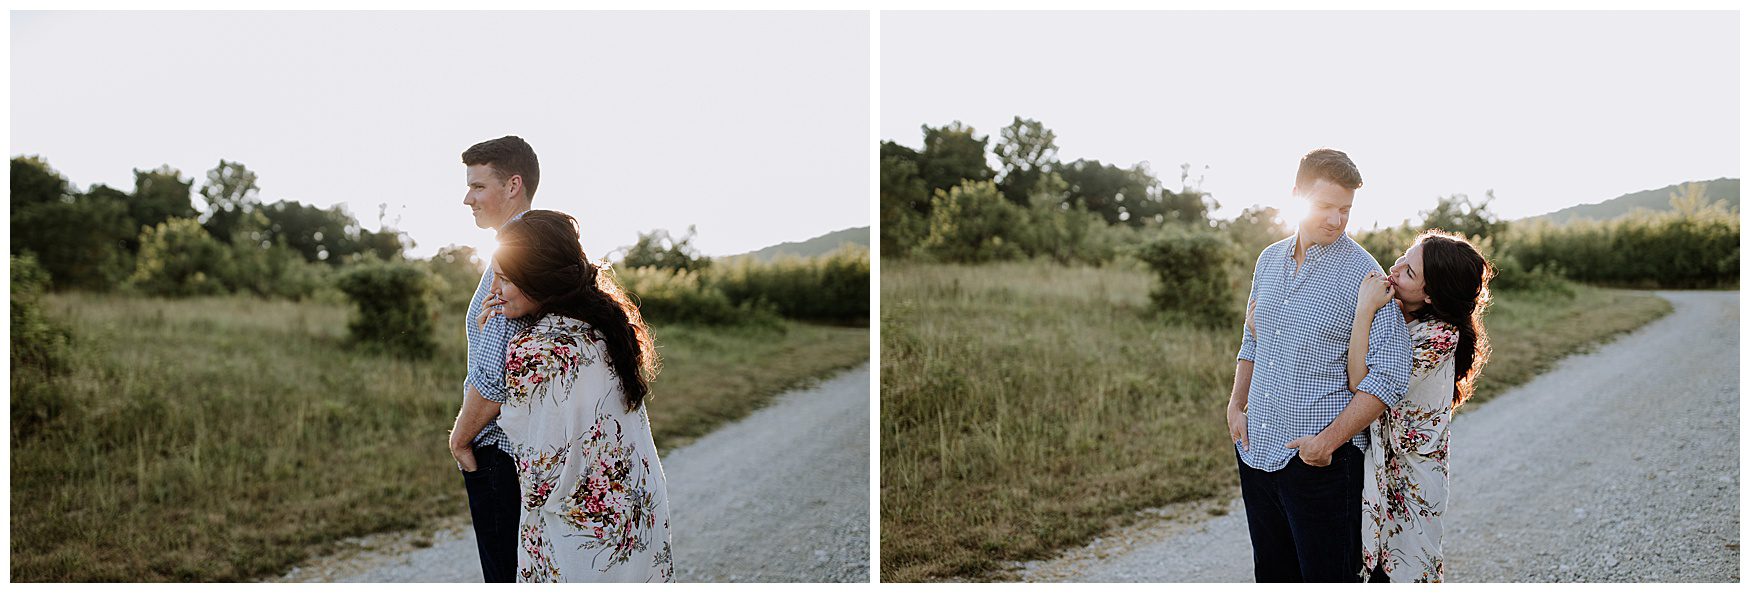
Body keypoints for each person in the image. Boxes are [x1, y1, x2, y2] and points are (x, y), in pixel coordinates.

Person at [1226, 148, 1411, 582]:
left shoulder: (1364, 275)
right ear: (1296, 195)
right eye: (1325, 206)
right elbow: (1253, 337)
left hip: (1320, 465)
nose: (1336, 220)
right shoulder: (1268, 260)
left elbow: (1388, 377)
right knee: (1272, 576)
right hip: (1256, 451)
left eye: (1345, 210)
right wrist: (1236, 404)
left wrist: (1327, 442)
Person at [481, 209, 674, 582]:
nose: (495, 292)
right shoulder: (606, 324)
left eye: (504, 280)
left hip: (582, 527)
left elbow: (539, 468)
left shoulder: (535, 347)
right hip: (638, 503)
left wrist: (494, 335)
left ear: (535, 277)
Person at [1346, 230, 1492, 583]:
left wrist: (1365, 309)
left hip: (1411, 478)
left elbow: (1361, 384)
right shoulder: (1398, 314)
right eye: (1402, 258)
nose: (1394, 269)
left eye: (1408, 272)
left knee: (1404, 572)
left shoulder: (1440, 336)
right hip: (1381, 467)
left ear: (1430, 295)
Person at [447, 135, 540, 582]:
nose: (468, 198)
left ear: (513, 185)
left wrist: (460, 442)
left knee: (506, 577)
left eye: (478, 186)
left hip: (501, 455)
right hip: (520, 452)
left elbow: (497, 376)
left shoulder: (517, 254)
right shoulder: (534, 245)